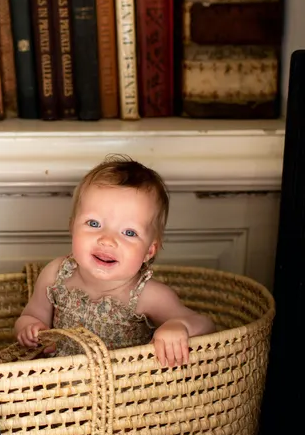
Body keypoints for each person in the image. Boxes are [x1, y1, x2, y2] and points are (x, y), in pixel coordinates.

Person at [14, 155, 215, 368]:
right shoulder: (56, 274)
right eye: (94, 223)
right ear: (72, 227)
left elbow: (205, 324)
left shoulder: (148, 294)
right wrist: (29, 328)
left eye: (129, 232)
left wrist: (178, 325)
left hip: (124, 392)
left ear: (149, 251)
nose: (108, 240)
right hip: (60, 387)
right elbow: (31, 315)